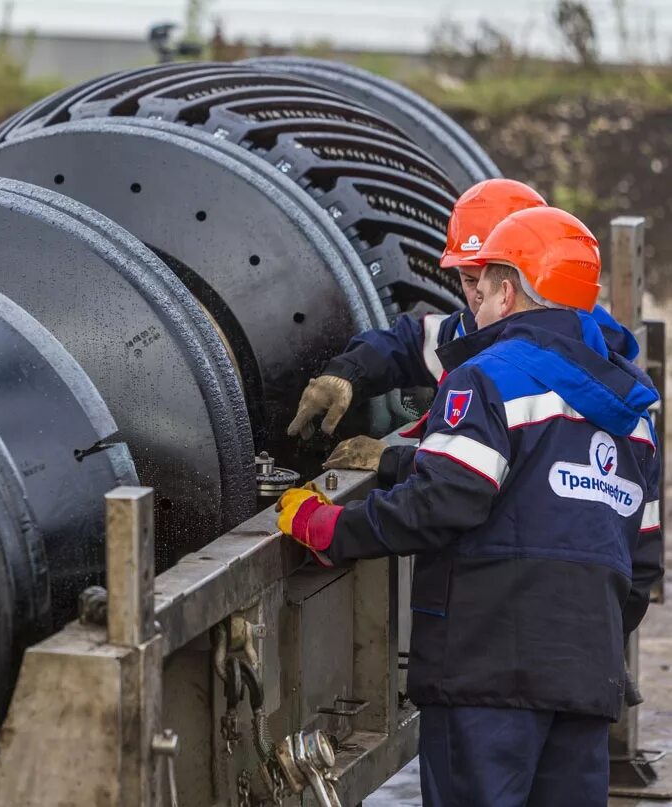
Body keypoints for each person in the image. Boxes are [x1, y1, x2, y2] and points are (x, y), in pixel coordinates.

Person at [275, 206, 663, 807]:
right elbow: (640, 566)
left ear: (507, 292)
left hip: (485, 673)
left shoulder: (487, 378)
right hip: (586, 677)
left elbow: (443, 501)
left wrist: (329, 527)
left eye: (480, 287)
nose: (472, 302)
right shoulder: (633, 415)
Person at [287, 179, 640, 480]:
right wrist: (345, 374)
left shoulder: (584, 367)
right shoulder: (475, 332)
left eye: (484, 280)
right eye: (467, 280)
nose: (476, 295)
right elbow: (411, 343)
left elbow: (504, 479)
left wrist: (395, 461)